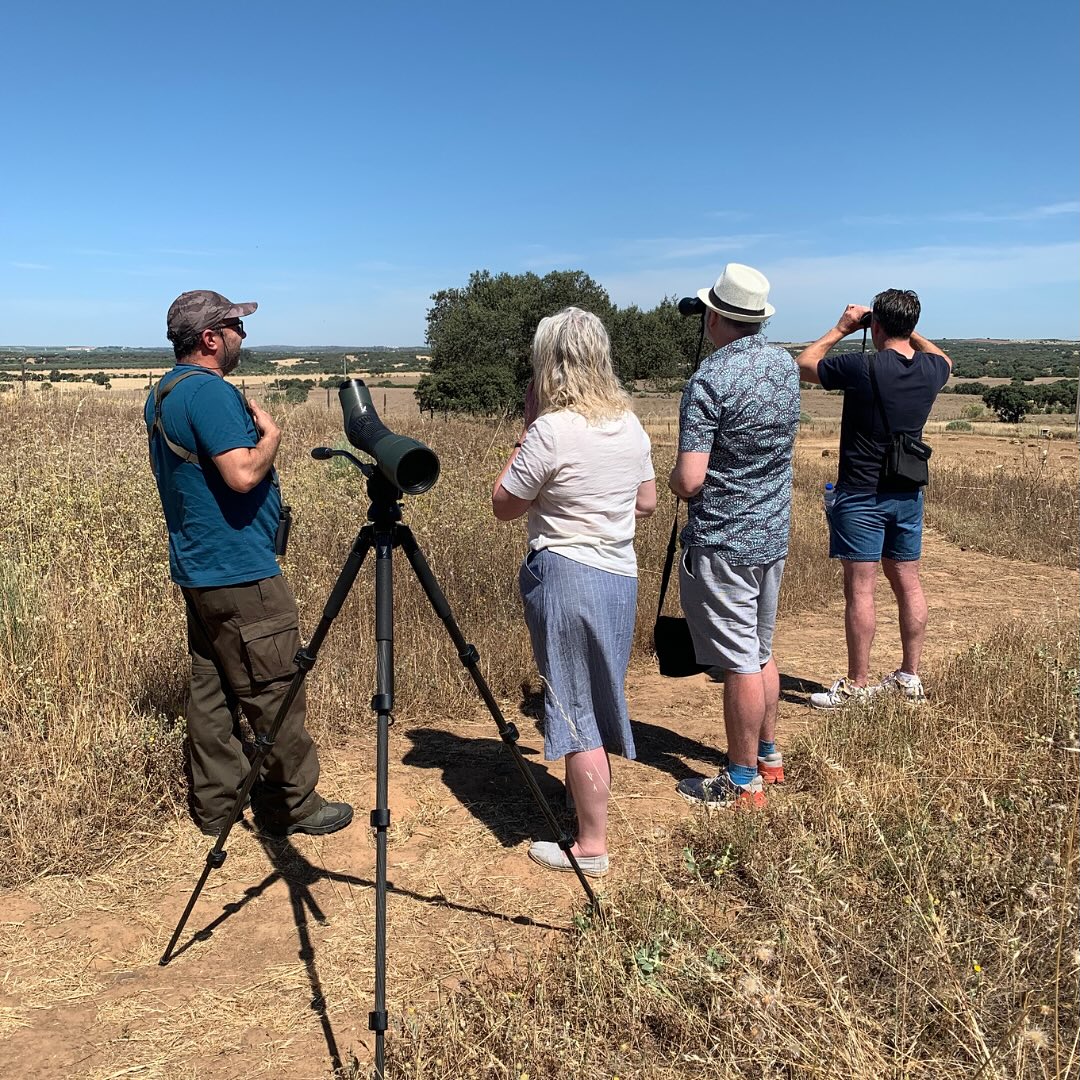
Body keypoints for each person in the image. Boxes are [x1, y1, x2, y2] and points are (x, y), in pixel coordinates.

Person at [145, 290, 353, 837]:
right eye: (235, 325)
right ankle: (295, 804)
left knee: (210, 693)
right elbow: (240, 474)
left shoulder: (165, 391)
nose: (244, 335)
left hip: (200, 569)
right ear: (210, 338)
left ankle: (216, 806)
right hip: (241, 572)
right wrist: (273, 440)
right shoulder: (209, 394)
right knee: (275, 688)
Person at [492, 307, 656, 877]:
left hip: (564, 572)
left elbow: (504, 505)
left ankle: (590, 844)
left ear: (549, 363)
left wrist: (525, 434)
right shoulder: (630, 424)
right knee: (598, 694)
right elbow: (647, 501)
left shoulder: (550, 431)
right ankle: (583, 807)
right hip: (619, 575)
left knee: (572, 704)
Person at [668, 263, 800, 810]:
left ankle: (740, 782)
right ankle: (768, 757)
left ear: (716, 317)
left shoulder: (709, 381)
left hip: (724, 538)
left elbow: (690, 479)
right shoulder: (784, 366)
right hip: (772, 531)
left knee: (739, 660)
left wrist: (675, 481)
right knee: (762, 649)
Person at [794, 289, 952, 708]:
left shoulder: (862, 366)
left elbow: (804, 365)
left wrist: (843, 327)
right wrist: (908, 332)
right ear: (911, 325)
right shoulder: (932, 370)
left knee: (861, 590)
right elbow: (947, 360)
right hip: (907, 493)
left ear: (875, 326)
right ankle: (909, 676)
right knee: (908, 583)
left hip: (861, 494)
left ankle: (858, 684)